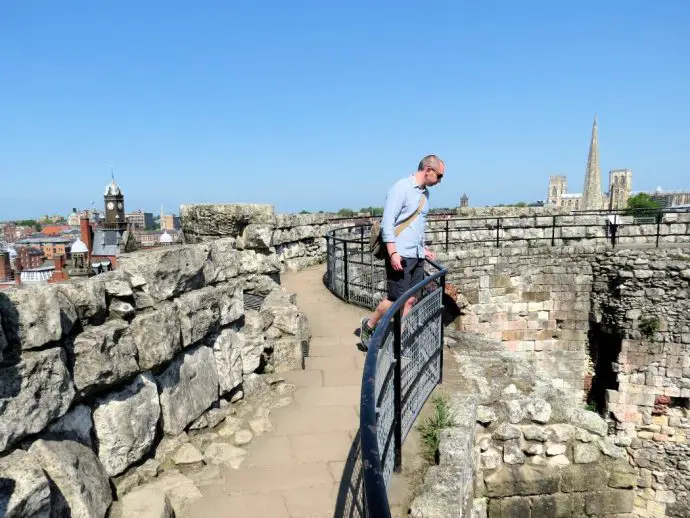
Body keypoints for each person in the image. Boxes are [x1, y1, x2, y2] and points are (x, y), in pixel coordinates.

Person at [360, 155, 445, 349]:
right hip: (400, 254)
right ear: (428, 170)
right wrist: (392, 253)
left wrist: (422, 248)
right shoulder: (400, 188)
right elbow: (388, 223)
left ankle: (399, 343)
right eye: (439, 176)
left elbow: (418, 225)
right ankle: (370, 324)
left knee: (411, 299)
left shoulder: (425, 195)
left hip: (416, 254)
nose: (440, 181)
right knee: (395, 300)